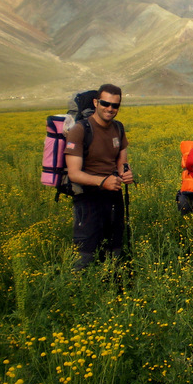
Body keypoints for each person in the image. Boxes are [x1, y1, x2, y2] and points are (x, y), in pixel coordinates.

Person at [65, 84, 134, 270]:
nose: (110, 108)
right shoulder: (80, 130)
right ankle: (78, 291)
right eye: (105, 103)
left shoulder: (118, 128)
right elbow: (74, 173)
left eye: (115, 105)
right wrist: (102, 182)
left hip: (113, 195)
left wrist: (125, 173)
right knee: (85, 254)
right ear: (96, 102)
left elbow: (122, 161)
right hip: (87, 199)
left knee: (115, 250)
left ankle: (112, 287)